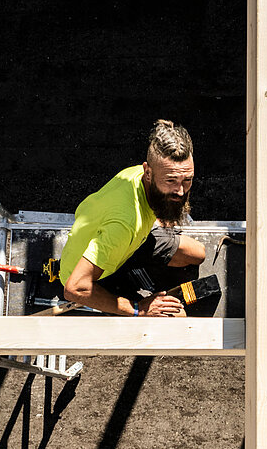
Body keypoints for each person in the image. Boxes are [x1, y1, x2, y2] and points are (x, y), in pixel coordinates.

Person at [59, 120, 206, 316]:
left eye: (187, 180)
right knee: (178, 317)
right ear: (148, 172)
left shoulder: (139, 175)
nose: (180, 191)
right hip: (98, 271)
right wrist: (139, 309)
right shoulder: (125, 225)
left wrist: (164, 210)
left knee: (198, 253)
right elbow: (74, 288)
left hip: (131, 241)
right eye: (170, 181)